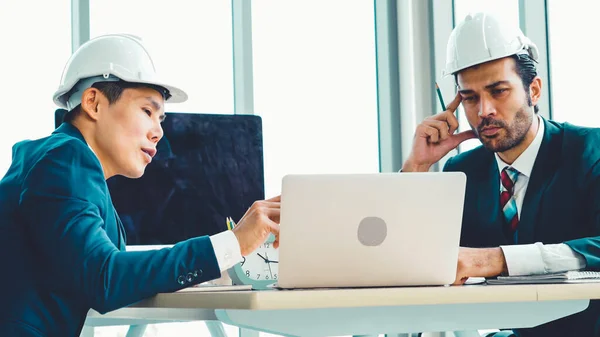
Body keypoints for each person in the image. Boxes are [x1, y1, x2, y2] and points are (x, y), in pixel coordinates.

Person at [0, 34, 279, 336]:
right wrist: (232, 243)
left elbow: (106, 273)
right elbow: (104, 278)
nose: (158, 132)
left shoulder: (63, 165)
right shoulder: (65, 158)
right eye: (147, 111)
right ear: (93, 102)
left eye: (161, 118)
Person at [402, 12, 600, 337]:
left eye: (498, 91)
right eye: (469, 98)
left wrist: (497, 259)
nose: (484, 111)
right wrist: (416, 167)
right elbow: (411, 263)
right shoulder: (461, 173)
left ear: (533, 91)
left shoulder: (590, 150)